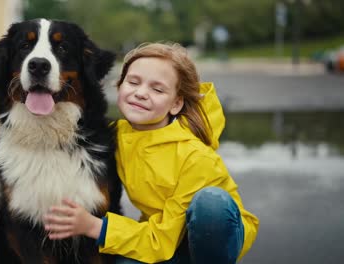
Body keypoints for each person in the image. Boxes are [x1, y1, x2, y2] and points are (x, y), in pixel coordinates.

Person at [44, 42, 259, 264]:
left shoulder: (195, 157)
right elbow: (68, 132)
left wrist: (94, 226)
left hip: (213, 236)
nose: (141, 93)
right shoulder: (115, 135)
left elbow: (162, 240)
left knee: (210, 203)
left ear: (175, 104)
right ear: (119, 87)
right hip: (164, 232)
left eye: (157, 89)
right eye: (133, 82)